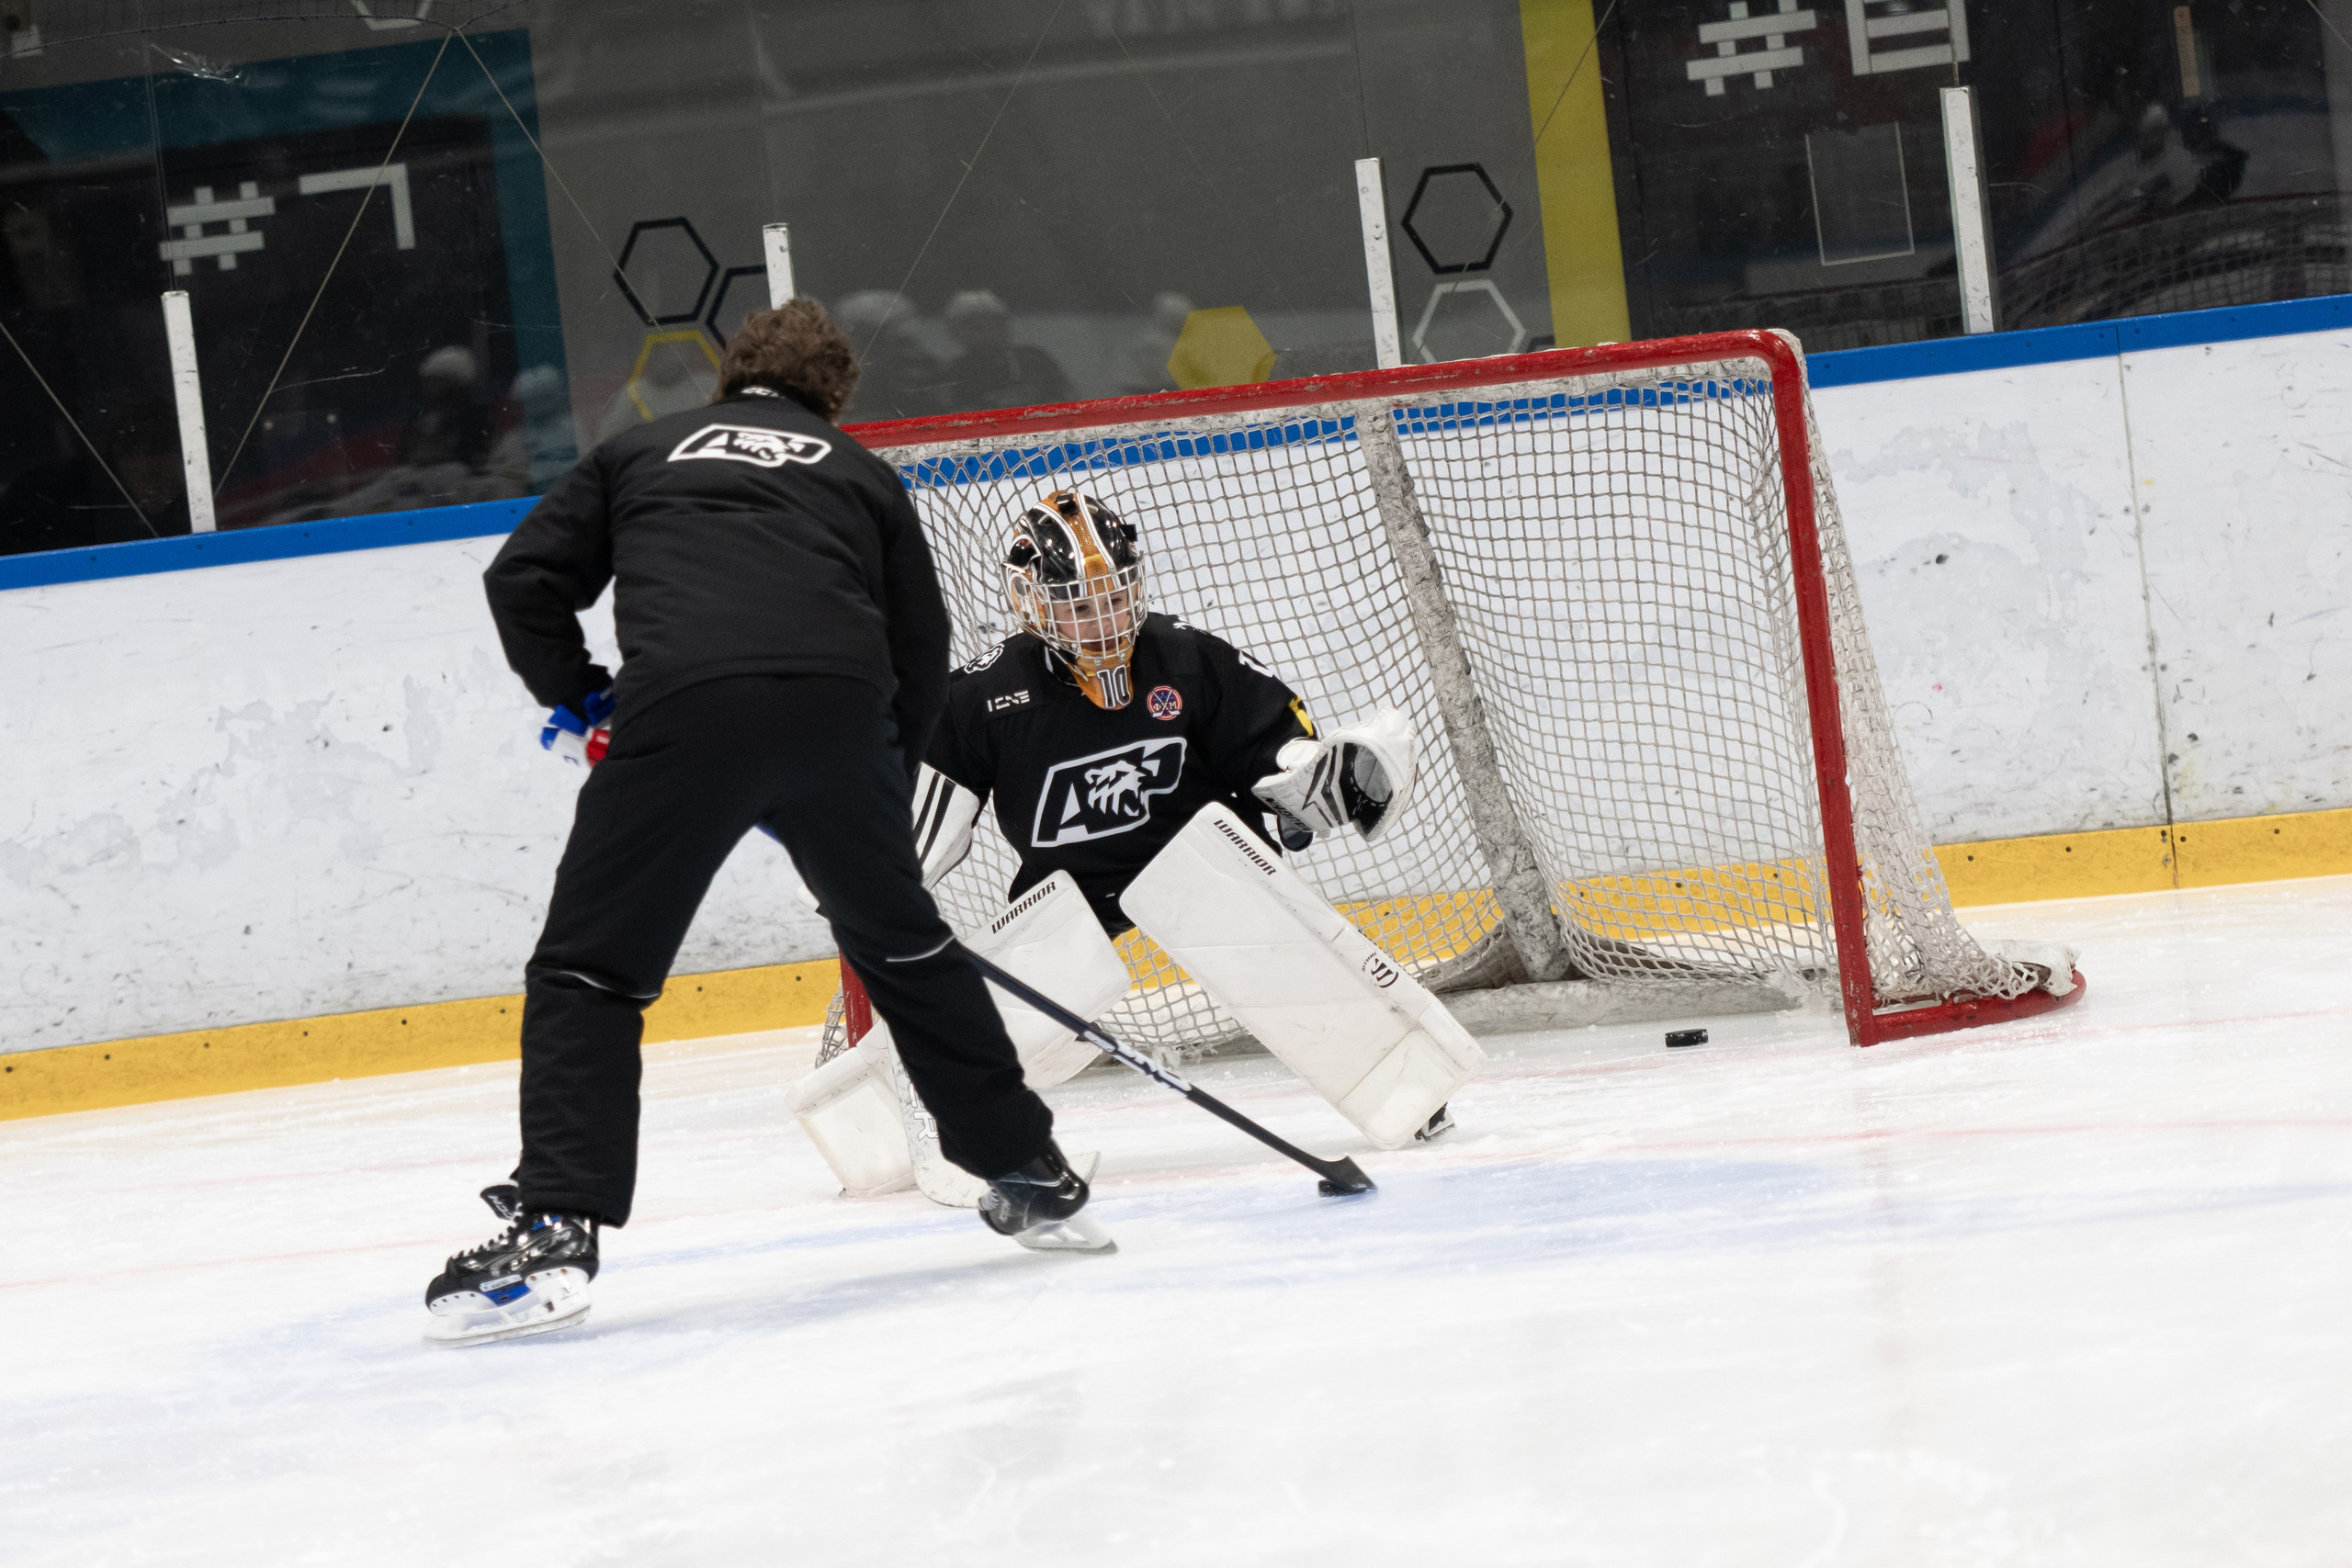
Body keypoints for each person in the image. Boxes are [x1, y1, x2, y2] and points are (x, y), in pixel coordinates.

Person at [423, 302, 1106, 1350]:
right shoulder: (857, 470)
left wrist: (584, 698)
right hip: (840, 713)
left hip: (681, 709)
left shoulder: (640, 449)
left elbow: (522, 580)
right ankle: (1030, 1172)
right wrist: (875, 769)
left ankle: (557, 1227)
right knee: (908, 950)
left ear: (727, 377)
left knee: (589, 975)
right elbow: (921, 647)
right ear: (834, 396)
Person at [793, 488, 1462, 1201]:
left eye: (1115, 598)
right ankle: (886, 1130)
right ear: (1031, 603)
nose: (1105, 621)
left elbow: (1279, 760)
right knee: (986, 1015)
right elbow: (916, 831)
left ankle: (1408, 1087)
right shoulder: (981, 698)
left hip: (1199, 865)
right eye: (1080, 606)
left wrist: (1324, 776)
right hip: (1064, 897)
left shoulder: (1191, 661)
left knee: (1285, 949)